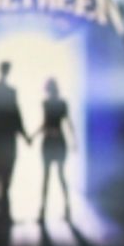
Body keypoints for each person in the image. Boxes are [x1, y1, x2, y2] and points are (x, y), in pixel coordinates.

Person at [0, 62, 29, 223]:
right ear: (8, 71)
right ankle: (4, 213)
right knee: (6, 178)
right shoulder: (10, 92)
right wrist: (25, 136)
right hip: (8, 141)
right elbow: (16, 117)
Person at [37, 77, 76, 224]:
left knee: (52, 177)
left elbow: (47, 124)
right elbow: (48, 124)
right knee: (56, 177)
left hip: (52, 142)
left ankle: (47, 211)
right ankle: (59, 210)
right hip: (55, 142)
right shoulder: (58, 104)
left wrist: (32, 137)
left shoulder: (50, 104)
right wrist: (74, 141)